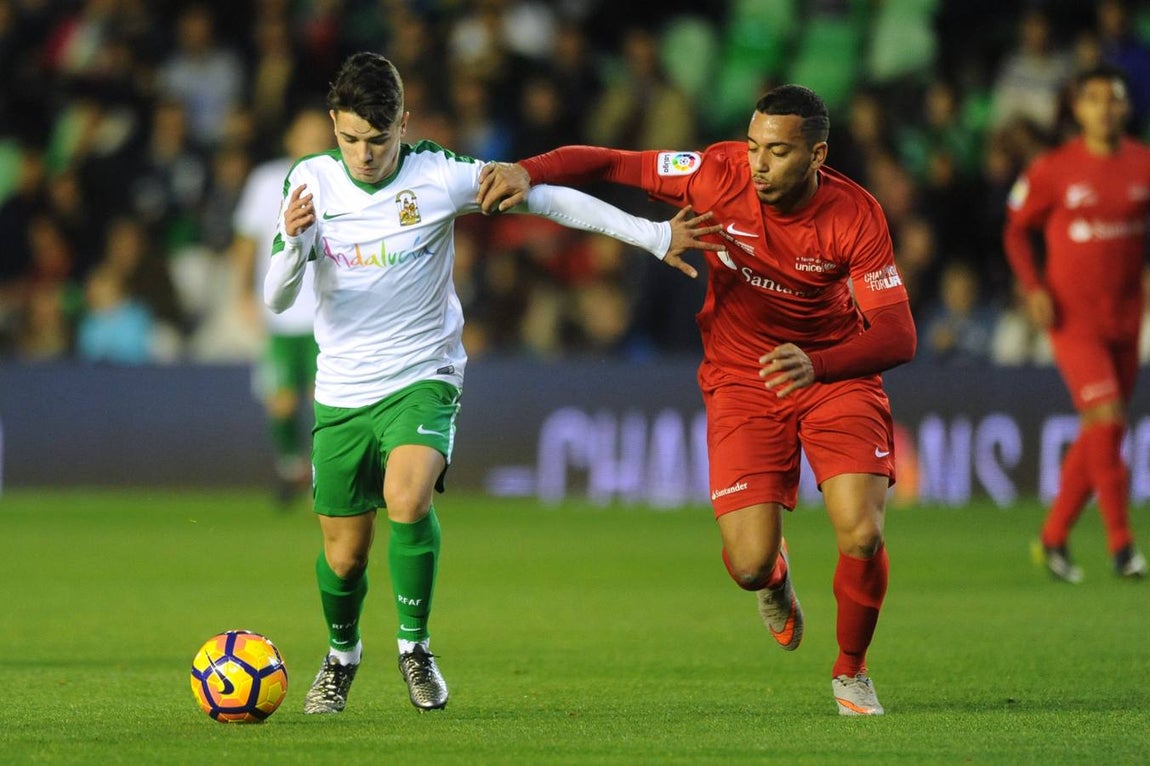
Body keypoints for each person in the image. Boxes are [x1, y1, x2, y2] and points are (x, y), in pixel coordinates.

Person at [263, 51, 721, 715]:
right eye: (350, 139)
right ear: (334, 125)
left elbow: (548, 199)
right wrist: (292, 240)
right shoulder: (309, 183)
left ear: (404, 125)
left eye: (378, 140)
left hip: (424, 372)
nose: (364, 155)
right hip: (342, 387)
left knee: (408, 497)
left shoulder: (439, 175)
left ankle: (414, 648)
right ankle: (341, 657)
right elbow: (278, 301)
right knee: (343, 557)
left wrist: (650, 234)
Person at [478, 84, 917, 715]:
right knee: (746, 564)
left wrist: (816, 363)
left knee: (861, 533)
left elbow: (898, 334)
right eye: (754, 145)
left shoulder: (856, 214)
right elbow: (608, 161)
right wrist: (529, 169)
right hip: (743, 378)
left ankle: (851, 670)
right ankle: (773, 578)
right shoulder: (716, 173)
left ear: (818, 154)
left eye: (779, 152)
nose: (759, 163)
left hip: (833, 374)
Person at [1003, 63, 1150, 583]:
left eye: (1113, 99)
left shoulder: (1143, 165)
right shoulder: (1053, 169)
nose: (1104, 108)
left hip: (1127, 317)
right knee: (1108, 420)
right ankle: (1122, 547)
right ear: (1078, 108)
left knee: (1100, 431)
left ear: (1125, 107)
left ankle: (1053, 538)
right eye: (1093, 99)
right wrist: (1034, 288)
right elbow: (1016, 231)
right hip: (1072, 317)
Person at [232, 107, 332, 507]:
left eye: (318, 134)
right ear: (291, 139)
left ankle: (323, 476)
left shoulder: (338, 180)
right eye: (304, 134)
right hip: (279, 312)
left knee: (321, 399)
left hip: (325, 313)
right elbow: (247, 241)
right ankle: (291, 468)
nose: (312, 142)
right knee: (281, 400)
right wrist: (242, 293)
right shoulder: (267, 180)